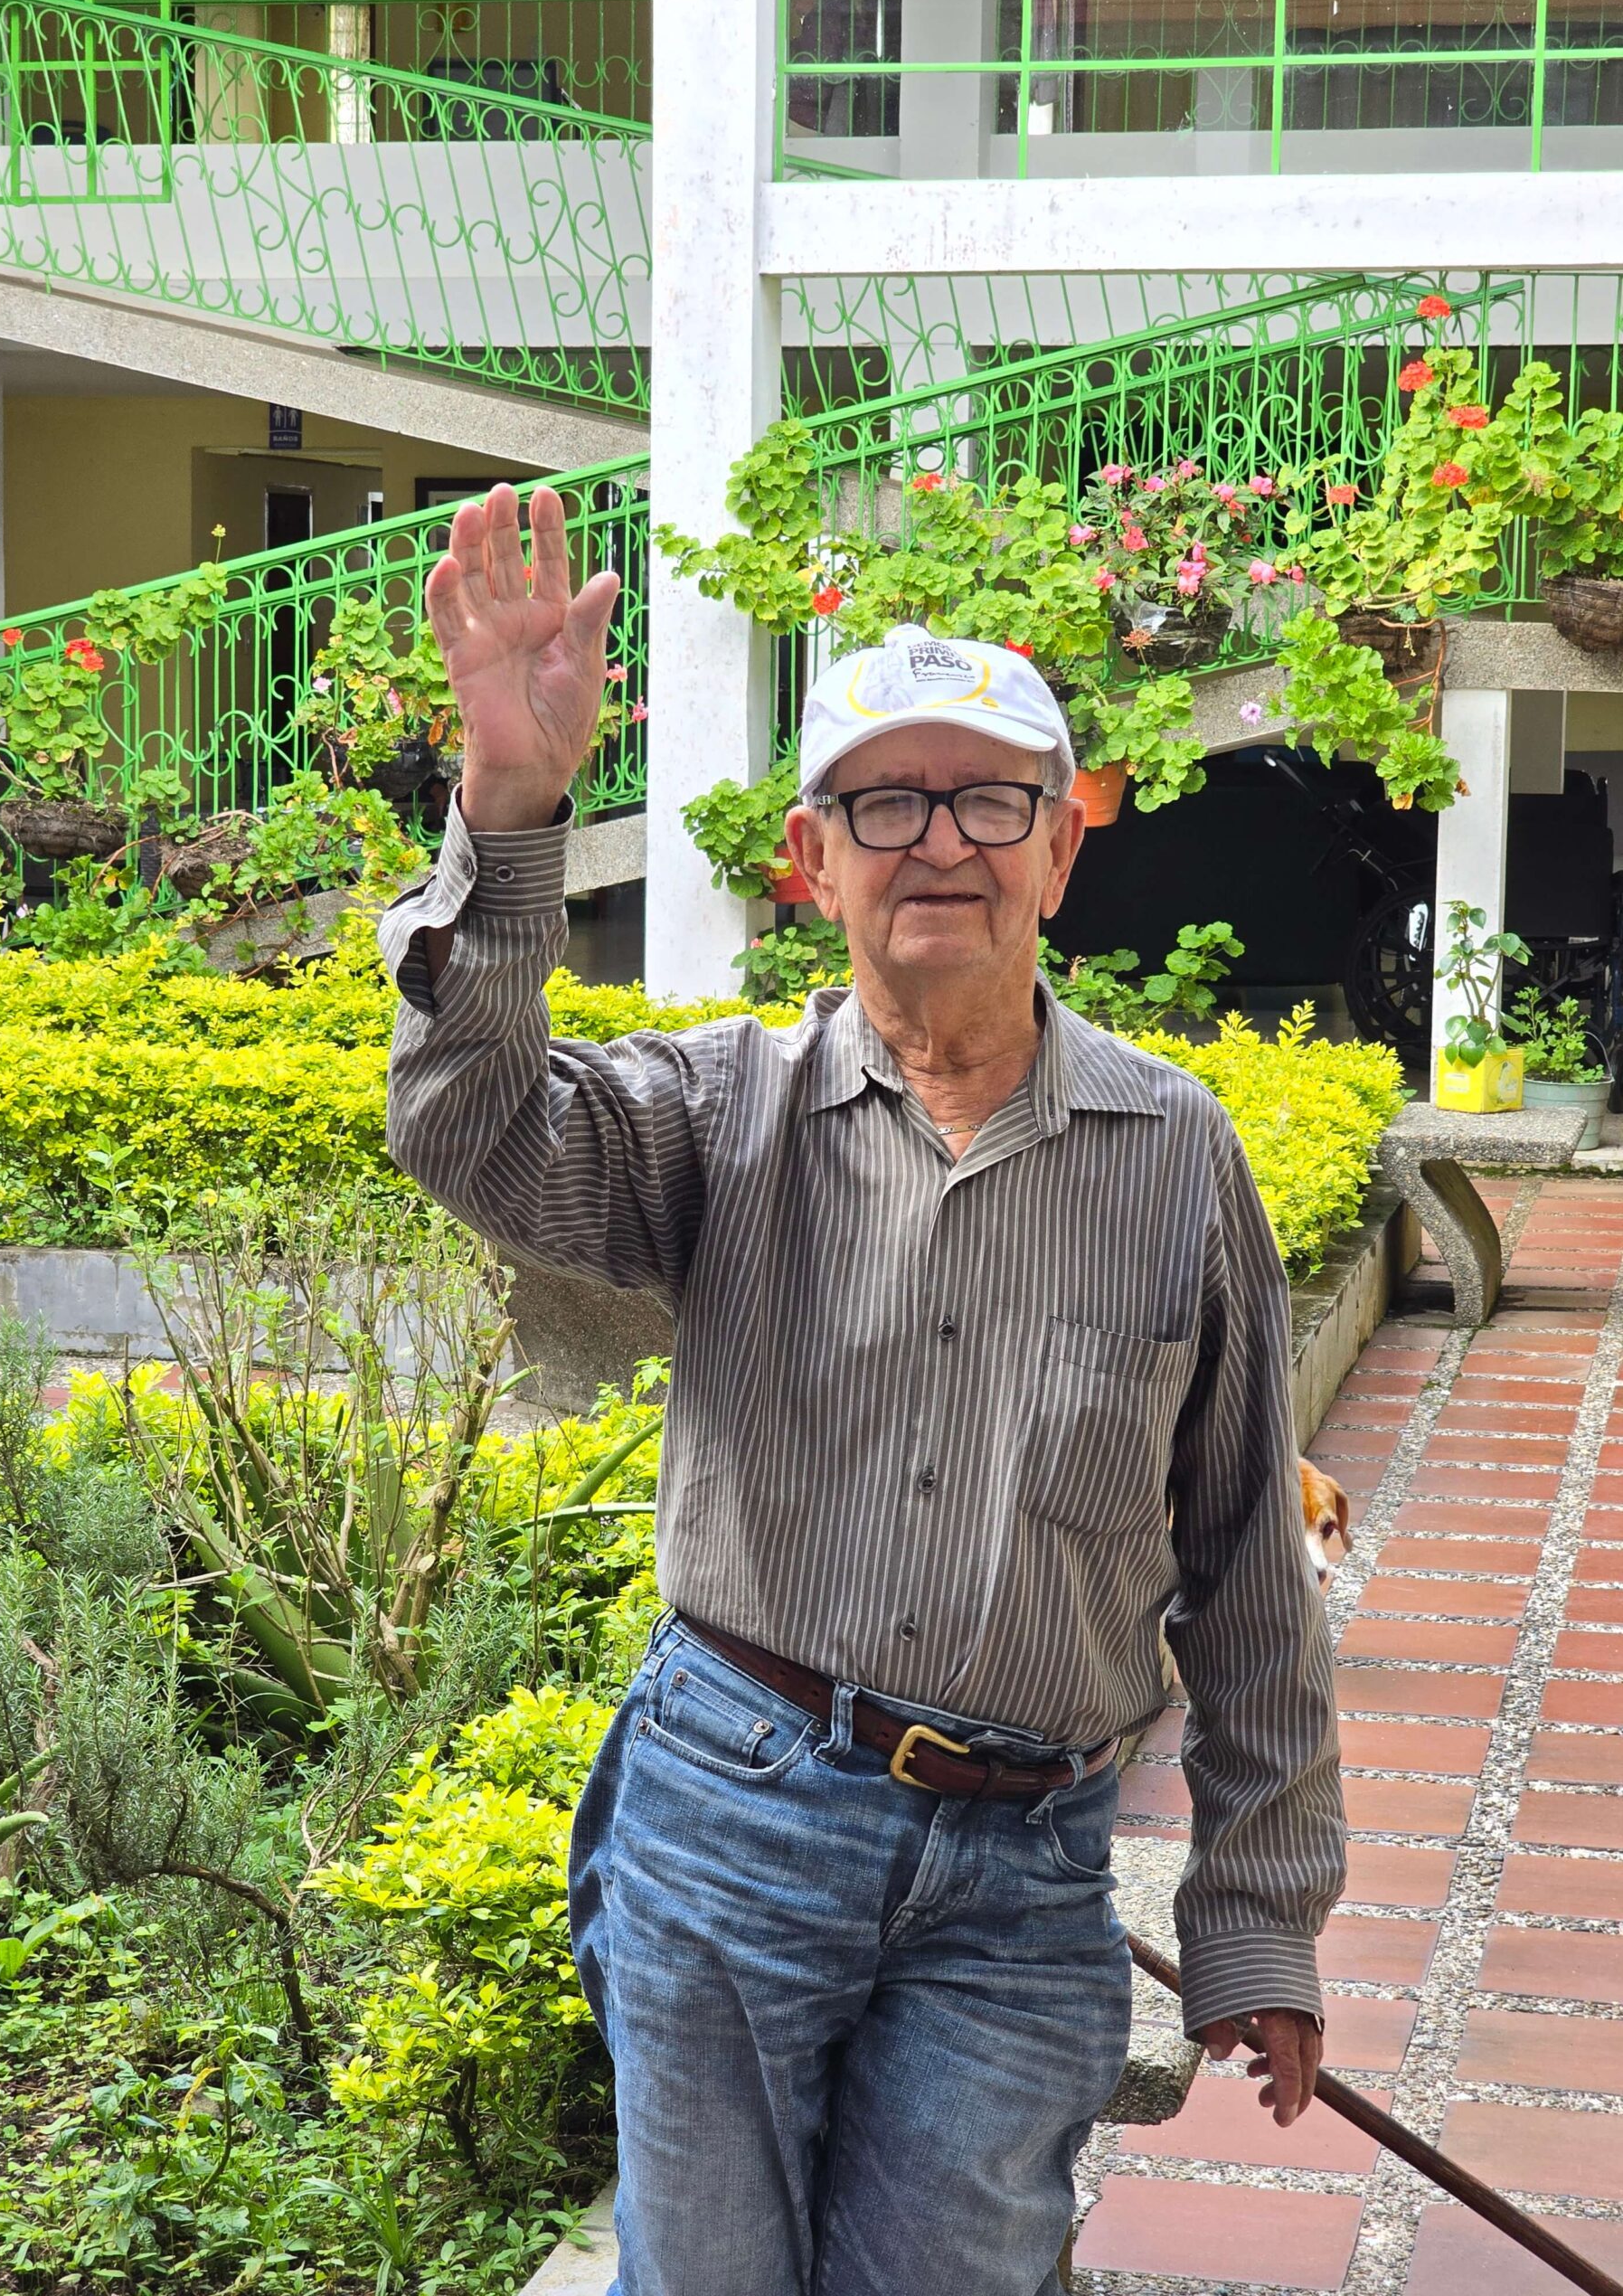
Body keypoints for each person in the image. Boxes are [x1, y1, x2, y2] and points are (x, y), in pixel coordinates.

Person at [380, 482, 1346, 2296]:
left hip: (1029, 1863)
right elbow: (468, 1121)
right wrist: (511, 813)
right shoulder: (718, 1115)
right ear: (813, 862)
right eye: (883, 804)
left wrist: (1257, 1915)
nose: (941, 845)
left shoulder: (1175, 1149)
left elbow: (1242, 1562)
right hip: (734, 1814)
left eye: (991, 800)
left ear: (1063, 848)